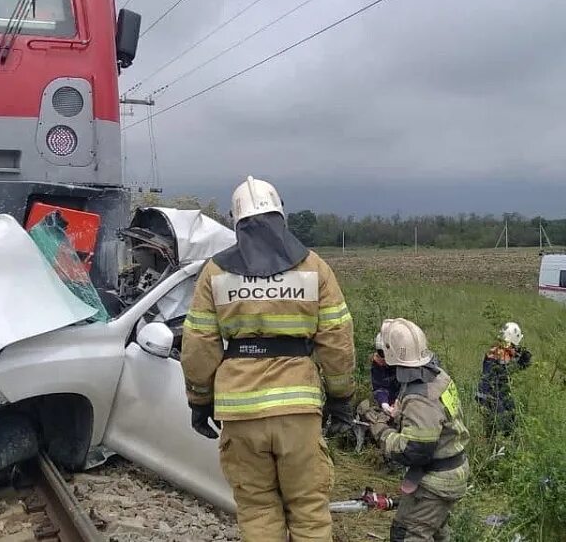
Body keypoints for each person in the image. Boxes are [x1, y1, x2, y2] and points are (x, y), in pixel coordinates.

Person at [180, 176, 355, 541]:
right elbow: (337, 341)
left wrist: (199, 400)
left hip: (240, 413)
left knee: (258, 511)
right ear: (282, 216)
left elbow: (198, 345)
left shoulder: (215, 273)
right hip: (299, 410)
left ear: (236, 221)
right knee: (309, 509)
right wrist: (341, 399)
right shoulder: (314, 268)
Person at [363, 318, 470, 542]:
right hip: (449, 469)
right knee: (436, 532)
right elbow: (435, 419)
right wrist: (399, 415)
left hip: (436, 480)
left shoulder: (419, 396)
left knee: (407, 535)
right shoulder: (439, 376)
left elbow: (414, 450)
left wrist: (381, 431)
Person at [475, 322, 532, 438]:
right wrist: (521, 362)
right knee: (501, 424)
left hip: (501, 392)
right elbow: (502, 371)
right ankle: (496, 448)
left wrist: (523, 362)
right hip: (491, 394)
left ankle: (507, 443)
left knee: (512, 416)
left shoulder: (504, 351)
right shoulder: (496, 353)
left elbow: (509, 370)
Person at [370, 332, 401, 414]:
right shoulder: (378, 363)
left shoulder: (407, 363)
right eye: (381, 352)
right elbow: (379, 386)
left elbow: (410, 386)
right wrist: (384, 403)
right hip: (391, 405)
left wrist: (399, 400)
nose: (384, 357)